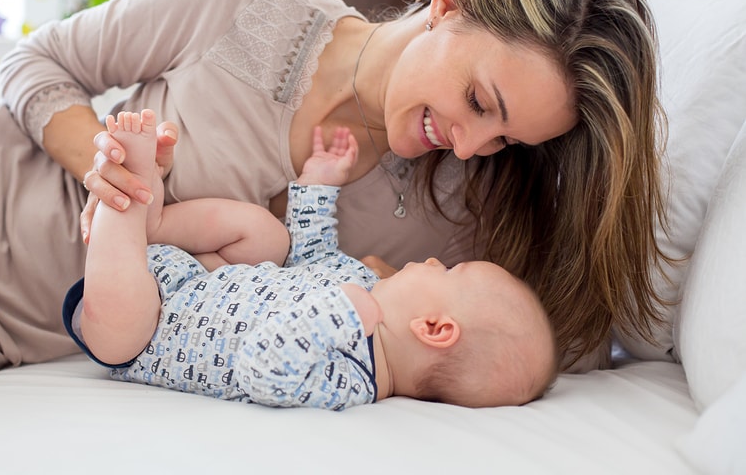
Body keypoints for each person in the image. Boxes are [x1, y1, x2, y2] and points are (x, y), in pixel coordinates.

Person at [0, 0, 668, 406]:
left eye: (504, 139)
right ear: (449, 3)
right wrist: (114, 172)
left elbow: (532, 344)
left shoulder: (453, 222)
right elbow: (35, 63)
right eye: (480, 102)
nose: (469, 145)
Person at [65, 109, 557, 409]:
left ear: (433, 327)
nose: (432, 262)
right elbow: (313, 256)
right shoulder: (364, 282)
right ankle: (154, 224)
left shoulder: (351, 380)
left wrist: (342, 313)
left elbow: (263, 369)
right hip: (193, 277)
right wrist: (318, 187)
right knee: (268, 236)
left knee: (125, 324)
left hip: (142, 334)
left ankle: (132, 191)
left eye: (448, 271)